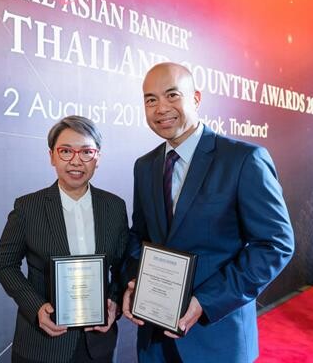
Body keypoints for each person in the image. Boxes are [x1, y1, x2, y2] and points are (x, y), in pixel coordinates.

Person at [121, 62, 295, 362]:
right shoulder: (144, 166)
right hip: (154, 338)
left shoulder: (244, 160)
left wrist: (204, 301)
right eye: (150, 100)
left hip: (217, 337)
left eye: (172, 95)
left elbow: (275, 245)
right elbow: (140, 235)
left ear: (196, 98)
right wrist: (134, 282)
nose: (161, 108)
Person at [0, 115, 129, 363]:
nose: (76, 161)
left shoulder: (114, 207)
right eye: (66, 151)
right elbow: (4, 265)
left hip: (97, 344)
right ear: (52, 156)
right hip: (42, 343)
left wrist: (113, 302)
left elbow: (123, 265)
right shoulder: (28, 207)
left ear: (97, 158)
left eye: (86, 152)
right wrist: (35, 307)